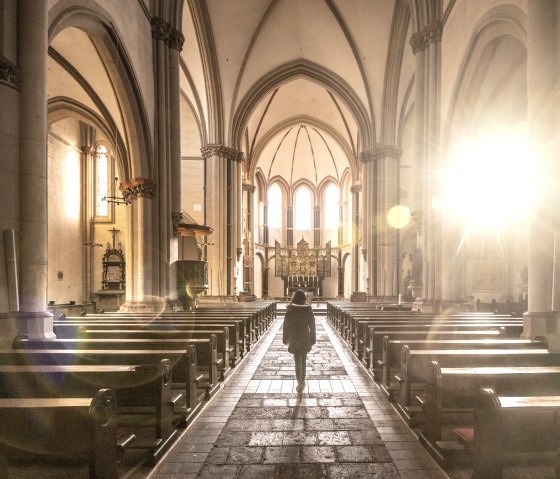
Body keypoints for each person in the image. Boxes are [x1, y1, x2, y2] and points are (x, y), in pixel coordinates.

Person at [283, 289, 316, 393]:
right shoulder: (308, 309)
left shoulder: (290, 309)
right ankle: (303, 380)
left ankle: (299, 382)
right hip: (305, 335)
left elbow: (286, 324)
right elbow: (312, 325)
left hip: (294, 336)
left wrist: (285, 337)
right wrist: (313, 338)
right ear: (304, 298)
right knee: (304, 359)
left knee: (297, 360)